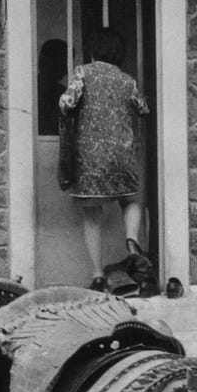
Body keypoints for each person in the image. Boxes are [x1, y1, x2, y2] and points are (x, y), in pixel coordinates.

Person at [58, 27, 152, 292]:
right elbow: (142, 109)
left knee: (92, 216)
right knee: (131, 199)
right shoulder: (127, 80)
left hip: (90, 159)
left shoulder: (83, 72)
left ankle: (98, 275)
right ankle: (132, 240)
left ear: (94, 49)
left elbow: (67, 103)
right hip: (121, 156)